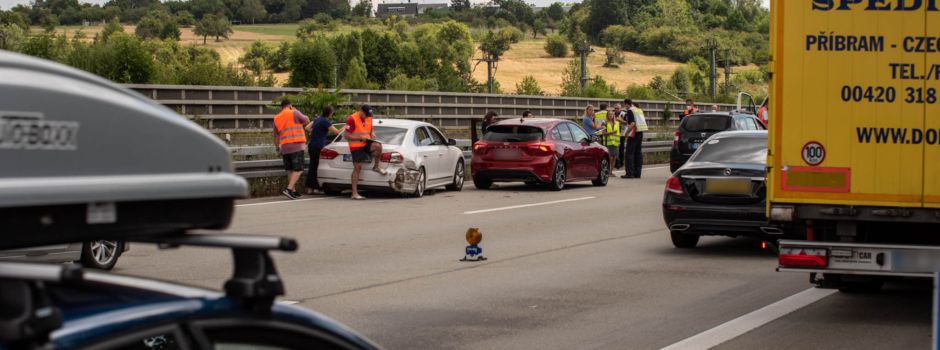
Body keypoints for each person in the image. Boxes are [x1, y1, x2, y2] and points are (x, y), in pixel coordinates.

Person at [345, 104, 387, 200]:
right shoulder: (351, 119)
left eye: (369, 115)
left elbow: (371, 129)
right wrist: (359, 138)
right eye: (366, 115)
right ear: (361, 111)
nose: (368, 117)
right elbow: (346, 136)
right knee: (358, 167)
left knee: (378, 146)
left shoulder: (369, 118)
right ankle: (354, 193)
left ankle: (376, 167)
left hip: (366, 142)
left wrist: (372, 133)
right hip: (356, 145)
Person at [273, 99, 310, 200]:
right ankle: (288, 189)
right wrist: (297, 111)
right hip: (296, 145)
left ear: (281, 107)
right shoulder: (294, 112)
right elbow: (307, 121)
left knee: (290, 170)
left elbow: (276, 136)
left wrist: (277, 148)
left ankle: (293, 191)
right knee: (299, 169)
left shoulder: (276, 117)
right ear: (290, 105)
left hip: (285, 147)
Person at [304, 105, 343, 195]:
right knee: (315, 166)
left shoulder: (317, 119)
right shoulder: (326, 122)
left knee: (312, 166)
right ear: (329, 113)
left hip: (312, 145)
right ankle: (313, 188)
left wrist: (315, 131)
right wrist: (346, 126)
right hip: (318, 146)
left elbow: (307, 128)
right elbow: (337, 132)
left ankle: (310, 188)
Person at [623, 99, 648, 179]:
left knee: (629, 153)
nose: (625, 107)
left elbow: (632, 123)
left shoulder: (630, 110)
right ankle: (637, 173)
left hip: (634, 133)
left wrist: (626, 133)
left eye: (625, 105)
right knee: (638, 153)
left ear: (627, 104)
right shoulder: (639, 110)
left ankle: (629, 173)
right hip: (640, 132)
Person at [598, 109, 620, 176]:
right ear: (607, 115)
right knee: (609, 158)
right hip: (608, 142)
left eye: (612, 114)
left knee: (614, 157)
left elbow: (618, 133)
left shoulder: (617, 123)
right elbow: (603, 133)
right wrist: (611, 132)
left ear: (613, 115)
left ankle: (611, 172)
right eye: (609, 114)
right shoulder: (604, 123)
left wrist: (619, 142)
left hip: (615, 143)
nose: (611, 115)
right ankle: (607, 171)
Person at [611, 104, 626, 169]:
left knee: (621, 149)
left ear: (620, 108)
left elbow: (627, 122)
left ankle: (621, 163)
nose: (616, 109)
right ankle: (616, 163)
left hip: (622, 134)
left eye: (617, 108)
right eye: (615, 108)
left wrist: (620, 120)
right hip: (615, 134)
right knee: (615, 149)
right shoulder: (612, 114)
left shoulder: (624, 114)